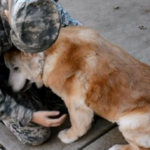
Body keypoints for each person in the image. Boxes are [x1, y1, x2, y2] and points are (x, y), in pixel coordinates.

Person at [0, 0, 82, 146]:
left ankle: (34, 90)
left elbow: (78, 36)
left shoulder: (42, 6)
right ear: (8, 15)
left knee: (70, 103)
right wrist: (28, 115)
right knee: (38, 134)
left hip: (27, 62)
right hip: (4, 73)